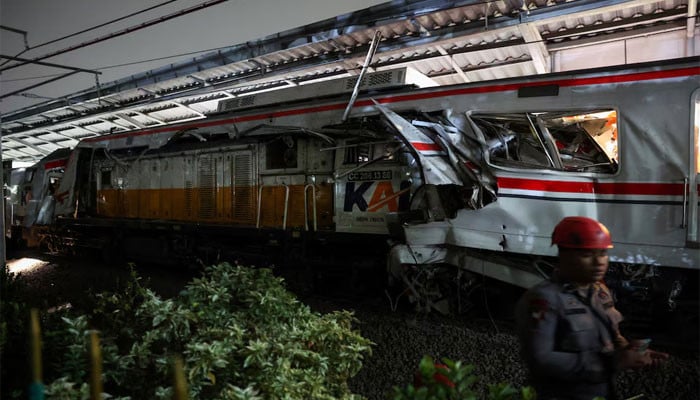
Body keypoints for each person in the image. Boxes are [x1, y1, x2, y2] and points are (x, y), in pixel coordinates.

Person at [514, 216, 668, 400]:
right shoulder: (544, 299)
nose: (599, 262)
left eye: (603, 253)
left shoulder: (600, 292)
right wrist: (612, 362)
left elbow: (612, 336)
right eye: (587, 255)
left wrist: (633, 351)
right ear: (563, 255)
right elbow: (540, 358)